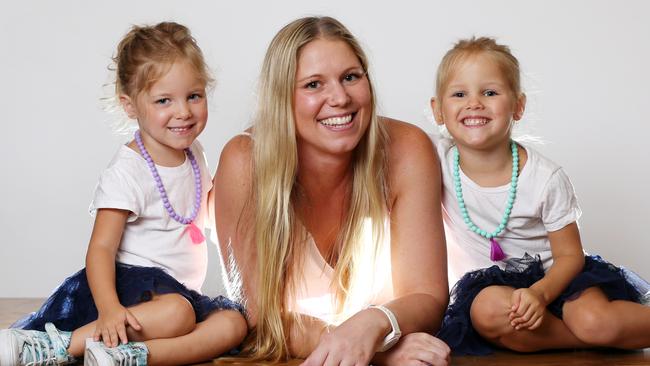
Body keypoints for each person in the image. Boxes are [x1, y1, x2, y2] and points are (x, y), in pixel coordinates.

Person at [0, 22, 246, 366]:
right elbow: (101, 248)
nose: (184, 112)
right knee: (179, 314)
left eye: (194, 95)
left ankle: (130, 356)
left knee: (233, 323)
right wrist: (109, 308)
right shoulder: (129, 170)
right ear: (130, 106)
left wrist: (243, 179)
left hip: (177, 295)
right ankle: (56, 346)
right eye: (164, 100)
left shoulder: (195, 154)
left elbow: (202, 212)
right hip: (128, 292)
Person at [213, 16, 450, 366]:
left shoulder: (407, 149)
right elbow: (259, 317)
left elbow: (426, 294)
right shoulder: (245, 162)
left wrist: (374, 324)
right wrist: (373, 349)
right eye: (313, 85)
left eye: (351, 77)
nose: (340, 98)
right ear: (282, 97)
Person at [430, 36, 650, 355]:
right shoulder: (435, 160)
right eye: (459, 94)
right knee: (486, 310)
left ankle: (599, 333)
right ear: (438, 110)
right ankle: (590, 343)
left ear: (518, 106)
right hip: (502, 291)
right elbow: (386, 139)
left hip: (557, 280)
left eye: (490, 92)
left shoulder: (545, 178)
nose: (474, 102)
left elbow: (570, 256)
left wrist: (541, 295)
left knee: (592, 320)